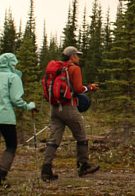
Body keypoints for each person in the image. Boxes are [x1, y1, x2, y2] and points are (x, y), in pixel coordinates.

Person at [0, 52, 36, 194]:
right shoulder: (13, 77)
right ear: (11, 63)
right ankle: (0, 176)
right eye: (15, 62)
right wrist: (29, 106)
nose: (16, 65)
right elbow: (16, 99)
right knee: (11, 145)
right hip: (5, 117)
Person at [41, 46, 99, 179]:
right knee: (81, 135)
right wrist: (90, 88)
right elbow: (78, 89)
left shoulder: (58, 70)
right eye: (77, 55)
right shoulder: (74, 69)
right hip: (69, 107)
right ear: (72, 56)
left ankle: (46, 169)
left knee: (54, 138)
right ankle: (83, 166)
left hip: (55, 108)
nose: (78, 58)